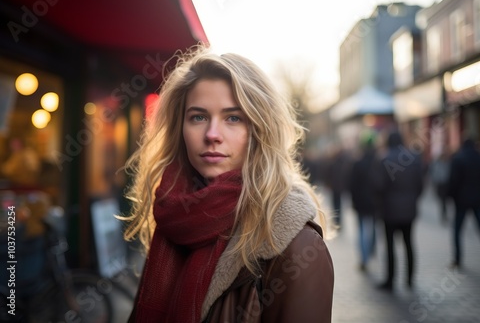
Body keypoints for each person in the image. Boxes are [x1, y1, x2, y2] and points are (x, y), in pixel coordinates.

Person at [121, 46, 334, 323]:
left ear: (259, 129)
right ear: (180, 128)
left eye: (233, 118)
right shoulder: (173, 217)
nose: (212, 134)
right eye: (198, 117)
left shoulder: (296, 247)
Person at [373, 131, 423, 291]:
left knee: (390, 246)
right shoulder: (414, 159)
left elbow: (379, 186)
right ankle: (410, 279)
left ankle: (390, 280)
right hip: (409, 210)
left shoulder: (384, 159)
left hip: (389, 211)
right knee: (409, 243)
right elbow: (420, 185)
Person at [448, 138, 480, 270]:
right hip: (478, 200)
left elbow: (453, 182)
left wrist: (453, 197)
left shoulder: (458, 159)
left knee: (457, 231)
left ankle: (457, 260)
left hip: (461, 201)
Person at [349, 134, 378, 271]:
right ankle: (372, 249)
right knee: (372, 227)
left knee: (361, 229)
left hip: (360, 202)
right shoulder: (378, 162)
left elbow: (352, 185)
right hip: (374, 202)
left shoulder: (357, 163)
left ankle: (364, 257)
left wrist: (353, 200)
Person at [429, 150, 451, 224]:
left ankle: (444, 214)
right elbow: (434, 173)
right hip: (441, 184)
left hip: (446, 184)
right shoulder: (438, 163)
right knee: (442, 201)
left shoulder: (448, 163)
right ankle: (443, 214)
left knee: (444, 201)